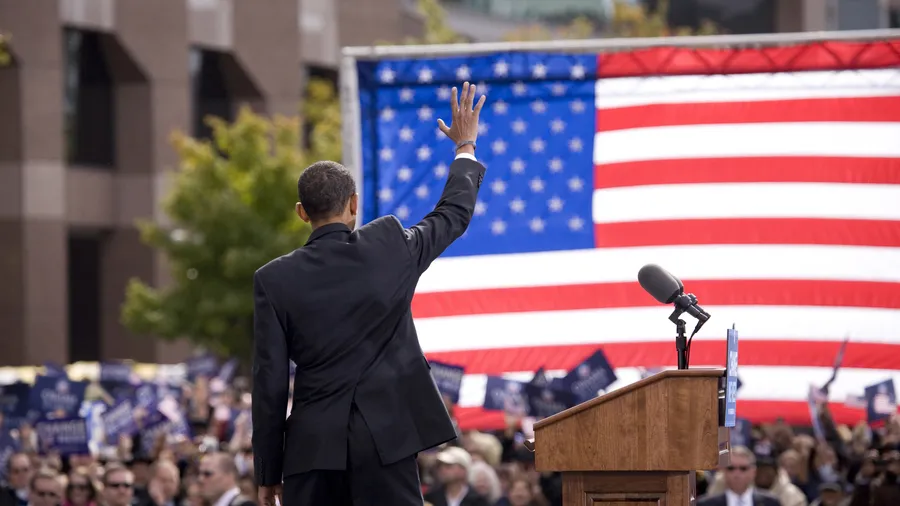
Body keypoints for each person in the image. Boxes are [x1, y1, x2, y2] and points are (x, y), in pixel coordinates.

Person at [251, 82, 487, 506]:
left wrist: (268, 471)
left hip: (312, 451)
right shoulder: (390, 247)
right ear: (354, 204)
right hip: (386, 442)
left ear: (302, 212)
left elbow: (268, 385)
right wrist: (464, 146)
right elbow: (452, 214)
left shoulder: (273, 279)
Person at [698, 446, 780, 506]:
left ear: (753, 472)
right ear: (724, 471)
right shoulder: (706, 504)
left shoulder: (771, 503)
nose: (737, 474)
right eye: (731, 468)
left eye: (743, 468)